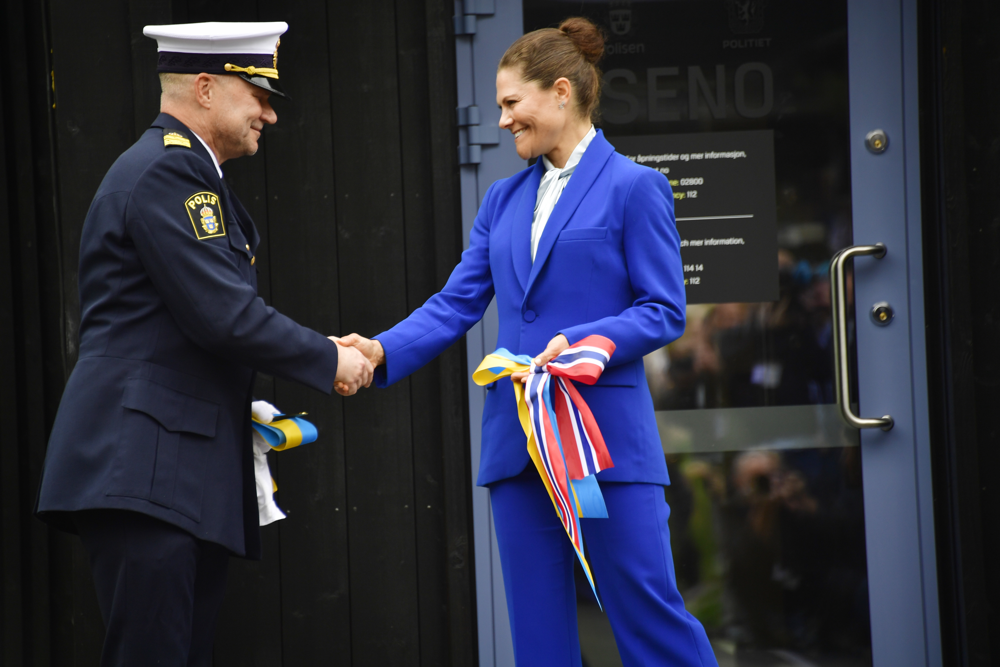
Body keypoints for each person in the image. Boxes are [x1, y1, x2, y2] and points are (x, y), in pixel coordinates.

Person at [340, 17, 718, 667]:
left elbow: (663, 310)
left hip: (602, 447)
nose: (504, 120)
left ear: (561, 92)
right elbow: (457, 302)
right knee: (540, 641)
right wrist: (377, 350)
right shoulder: (501, 201)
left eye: (513, 103)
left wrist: (593, 340)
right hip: (517, 448)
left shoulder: (635, 187)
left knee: (647, 614)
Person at [34, 21, 372, 666]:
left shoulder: (183, 171)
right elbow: (224, 316)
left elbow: (194, 321)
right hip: (147, 469)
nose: (269, 114)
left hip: (167, 470)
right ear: (207, 88)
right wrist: (330, 359)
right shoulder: (172, 173)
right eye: (260, 95)